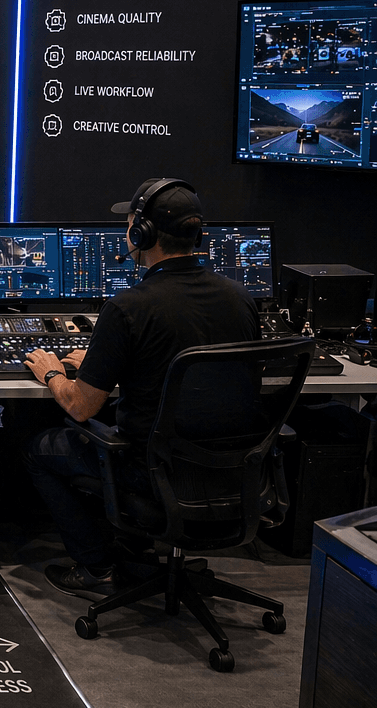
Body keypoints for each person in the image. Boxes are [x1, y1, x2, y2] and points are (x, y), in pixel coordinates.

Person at [22, 179, 260, 597]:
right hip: (234, 473)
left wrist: (52, 373)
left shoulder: (128, 307)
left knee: (40, 447)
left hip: (150, 473)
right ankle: (134, 547)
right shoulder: (241, 298)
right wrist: (103, 363)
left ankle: (97, 566)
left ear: (140, 234)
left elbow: (81, 408)